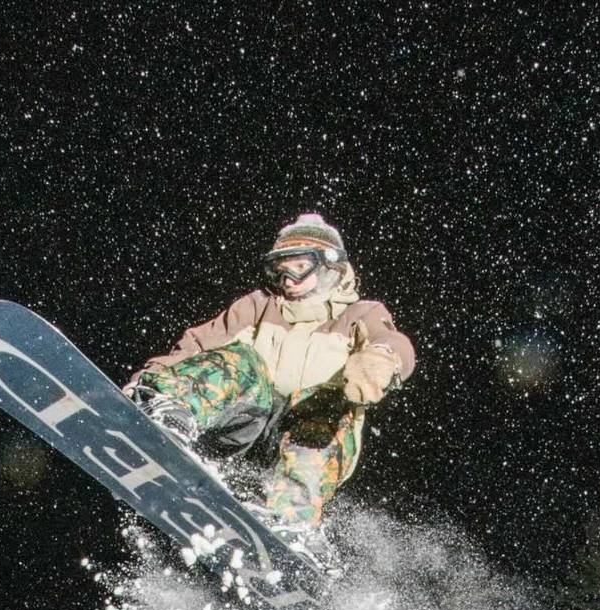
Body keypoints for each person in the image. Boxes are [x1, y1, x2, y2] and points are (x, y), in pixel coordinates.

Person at [125, 213, 416, 574]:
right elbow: (199, 344)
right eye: (280, 270)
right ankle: (170, 413)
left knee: (327, 404)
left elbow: (393, 342)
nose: (288, 280)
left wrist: (380, 360)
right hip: (246, 426)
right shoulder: (259, 306)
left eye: (299, 268)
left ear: (329, 267)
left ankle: (292, 516)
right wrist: (149, 381)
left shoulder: (360, 313)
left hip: (307, 438)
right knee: (243, 360)